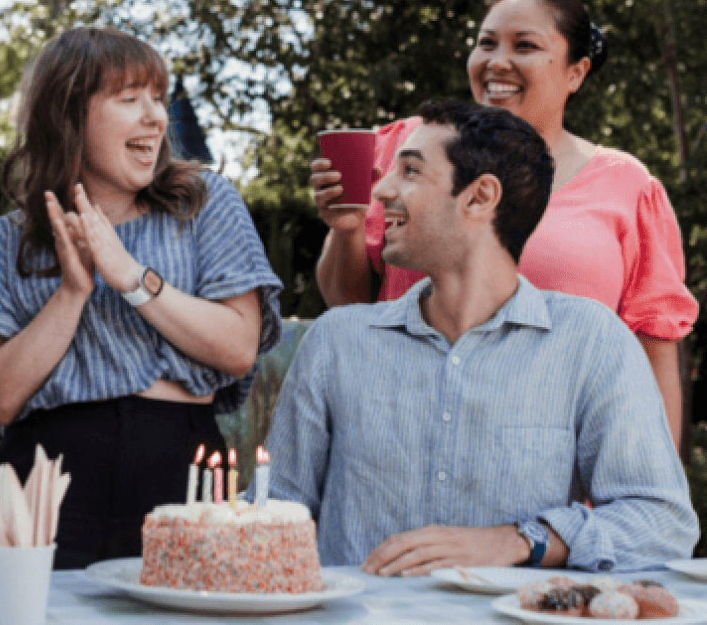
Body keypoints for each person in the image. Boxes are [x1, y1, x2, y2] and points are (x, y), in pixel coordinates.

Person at [263, 98, 697, 574]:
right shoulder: (335, 343)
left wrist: (520, 541)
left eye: (409, 171)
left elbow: (662, 524)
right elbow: (275, 514)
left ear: (479, 197)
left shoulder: (592, 343)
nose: (381, 189)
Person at [0, 27, 283, 570]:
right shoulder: (5, 240)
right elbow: (0, 399)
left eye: (157, 98)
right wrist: (73, 292)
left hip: (179, 468)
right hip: (43, 483)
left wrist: (130, 277)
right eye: (129, 99)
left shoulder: (205, 205)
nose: (155, 117)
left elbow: (239, 346)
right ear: (68, 116)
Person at [314, 0, 698, 446]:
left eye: (525, 46)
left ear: (576, 73)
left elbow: (654, 353)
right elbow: (349, 306)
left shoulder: (626, 185)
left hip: (564, 468)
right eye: (486, 42)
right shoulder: (408, 148)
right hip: (405, 445)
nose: (497, 61)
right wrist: (347, 230)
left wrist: (659, 498)